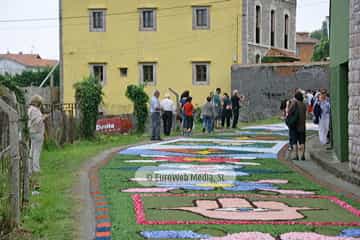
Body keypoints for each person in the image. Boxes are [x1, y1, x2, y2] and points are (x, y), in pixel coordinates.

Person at [28, 95, 47, 175]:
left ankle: (30, 169)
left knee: (32, 150)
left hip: (32, 132)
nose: (40, 104)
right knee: (37, 151)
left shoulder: (30, 109)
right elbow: (36, 121)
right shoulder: (35, 110)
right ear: (36, 103)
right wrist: (43, 117)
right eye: (39, 103)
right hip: (37, 132)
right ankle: (36, 169)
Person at [288, 91, 307, 160]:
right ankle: (302, 155)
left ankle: (295, 155)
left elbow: (289, 112)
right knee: (302, 141)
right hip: (302, 125)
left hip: (295, 125)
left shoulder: (294, 103)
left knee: (294, 141)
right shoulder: (304, 105)